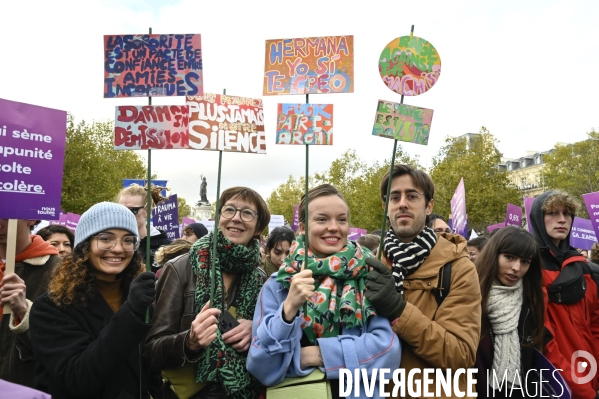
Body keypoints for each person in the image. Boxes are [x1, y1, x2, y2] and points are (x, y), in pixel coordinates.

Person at [247, 184, 401, 398]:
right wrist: (288, 310)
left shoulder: (367, 277)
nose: (333, 227)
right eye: (321, 219)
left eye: (341, 219)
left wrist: (317, 354)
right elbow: (261, 366)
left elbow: (388, 353)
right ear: (302, 227)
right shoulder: (278, 285)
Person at [365, 164, 481, 397]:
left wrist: (399, 310)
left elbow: (461, 355)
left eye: (412, 196)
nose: (402, 203)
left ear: (429, 206)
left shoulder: (458, 266)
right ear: (385, 207)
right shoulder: (369, 263)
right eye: (394, 197)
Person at [144, 186, 270, 399]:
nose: (236, 218)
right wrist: (189, 341)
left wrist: (257, 330)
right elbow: (151, 351)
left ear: (258, 227)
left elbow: (273, 346)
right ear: (219, 217)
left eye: (247, 213)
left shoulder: (262, 279)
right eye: (229, 210)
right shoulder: (180, 268)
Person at [29, 202, 156, 399]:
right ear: (84, 245)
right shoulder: (50, 307)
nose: (118, 249)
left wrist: (189, 341)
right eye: (106, 238)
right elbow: (79, 378)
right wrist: (130, 312)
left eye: (128, 240)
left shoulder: (140, 297)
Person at [529, 190, 599, 399]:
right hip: (557, 384)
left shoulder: (586, 269)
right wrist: (581, 390)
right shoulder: (528, 267)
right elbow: (543, 340)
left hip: (590, 373)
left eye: (567, 213)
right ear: (538, 219)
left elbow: (595, 327)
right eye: (552, 212)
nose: (561, 220)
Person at [474, 226, 545, 398]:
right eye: (509, 257)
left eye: (525, 262)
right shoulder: (469, 298)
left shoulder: (531, 301)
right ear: (493, 254)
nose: (516, 267)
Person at [0, 219, 60, 388]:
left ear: (31, 218)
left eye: (6, 216)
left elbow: (61, 349)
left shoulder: (59, 272)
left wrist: (24, 313)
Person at [116, 184, 172, 272]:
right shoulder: (110, 243)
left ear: (146, 211)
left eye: (132, 210)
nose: (125, 215)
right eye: (120, 210)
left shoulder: (167, 248)